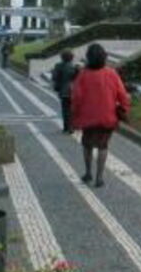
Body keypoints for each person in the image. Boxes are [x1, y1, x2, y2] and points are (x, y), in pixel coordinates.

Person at [70, 43, 130, 188]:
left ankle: (88, 172)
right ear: (104, 57)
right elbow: (122, 94)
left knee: (87, 145)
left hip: (88, 117)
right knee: (103, 146)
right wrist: (124, 109)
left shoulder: (83, 74)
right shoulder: (111, 73)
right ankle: (100, 177)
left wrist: (74, 114)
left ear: (88, 58)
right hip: (107, 117)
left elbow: (76, 97)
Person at [51, 50, 80, 133]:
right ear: (72, 58)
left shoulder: (58, 66)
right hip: (74, 90)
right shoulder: (75, 67)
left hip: (64, 91)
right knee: (73, 109)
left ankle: (66, 127)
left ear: (62, 58)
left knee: (65, 109)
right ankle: (72, 126)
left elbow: (54, 78)